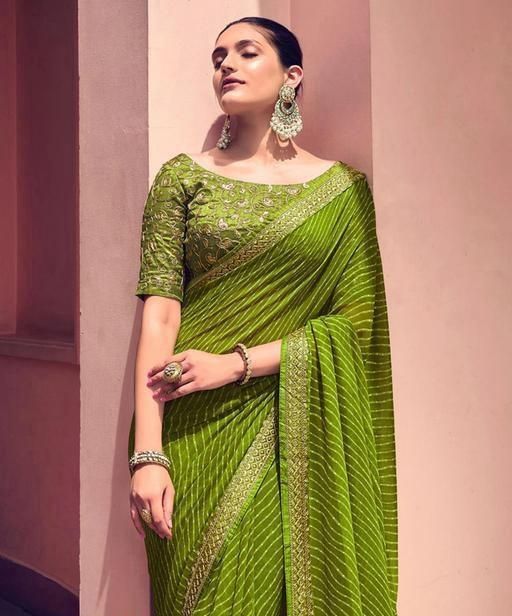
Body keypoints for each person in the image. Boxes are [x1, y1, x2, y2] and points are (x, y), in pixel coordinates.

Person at [127, 15, 398, 616]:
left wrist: (235, 364)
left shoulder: (343, 192)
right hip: (192, 428)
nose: (226, 64)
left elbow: (355, 327)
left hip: (294, 425)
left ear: (291, 76)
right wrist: (148, 455)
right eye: (217, 57)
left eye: (246, 52)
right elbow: (159, 318)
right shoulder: (182, 179)